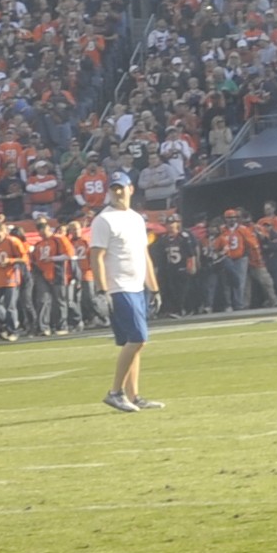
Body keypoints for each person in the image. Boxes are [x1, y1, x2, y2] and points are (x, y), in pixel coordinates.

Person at [86, 175, 159, 411]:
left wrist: (154, 287)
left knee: (134, 342)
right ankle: (115, 392)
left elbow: (144, 254)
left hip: (137, 285)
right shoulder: (104, 220)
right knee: (138, 338)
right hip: (119, 286)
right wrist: (101, 290)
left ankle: (133, 395)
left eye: (121, 189)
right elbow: (96, 256)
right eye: (113, 189)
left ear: (130, 189)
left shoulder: (136, 218)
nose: (117, 193)